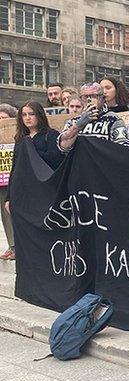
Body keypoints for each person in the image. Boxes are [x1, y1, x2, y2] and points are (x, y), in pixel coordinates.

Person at [5, 101, 64, 261]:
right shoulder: (20, 139)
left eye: (31, 114)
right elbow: (14, 167)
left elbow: (57, 160)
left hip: (42, 189)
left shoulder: (50, 135)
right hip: (22, 190)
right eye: (24, 115)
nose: (28, 118)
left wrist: (32, 152)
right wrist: (8, 197)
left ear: (39, 115)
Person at [58, 82, 129, 151]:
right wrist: (79, 125)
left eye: (93, 96)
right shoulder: (74, 121)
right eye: (85, 97)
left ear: (103, 99)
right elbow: (63, 146)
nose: (89, 100)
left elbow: (123, 149)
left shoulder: (113, 119)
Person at [0, 104, 18, 260]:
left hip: (14, 179)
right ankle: (12, 245)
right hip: (1, 181)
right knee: (5, 215)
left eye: (4, 118)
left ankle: (17, 246)